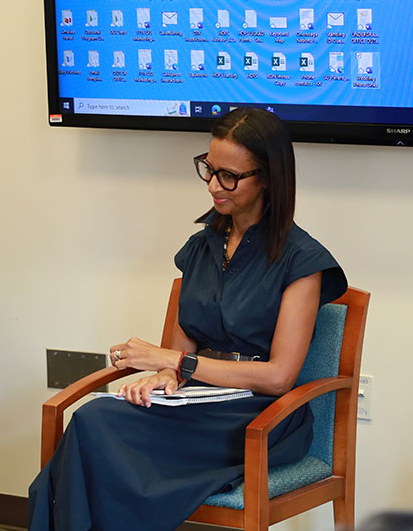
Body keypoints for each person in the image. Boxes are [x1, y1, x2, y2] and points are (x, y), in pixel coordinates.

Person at [28, 108, 348, 531]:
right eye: (209, 169)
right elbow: (180, 350)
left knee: (98, 432)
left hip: (259, 415)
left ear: (267, 177)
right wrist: (163, 376)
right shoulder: (203, 246)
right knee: (93, 421)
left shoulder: (301, 260)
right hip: (199, 399)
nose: (214, 185)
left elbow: (278, 378)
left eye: (229, 176)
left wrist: (176, 365)